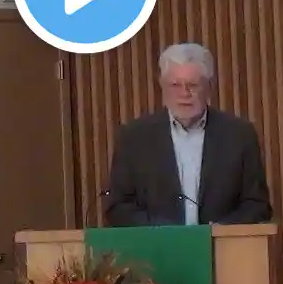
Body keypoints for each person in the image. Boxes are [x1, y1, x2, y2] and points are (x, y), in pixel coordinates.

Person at [104, 43, 272, 226]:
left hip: (221, 242)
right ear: (162, 86)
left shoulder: (239, 135)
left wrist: (221, 230)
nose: (184, 93)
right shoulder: (134, 138)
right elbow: (118, 207)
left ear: (209, 86)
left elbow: (257, 205)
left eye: (193, 85)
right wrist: (161, 231)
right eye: (175, 85)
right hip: (157, 243)